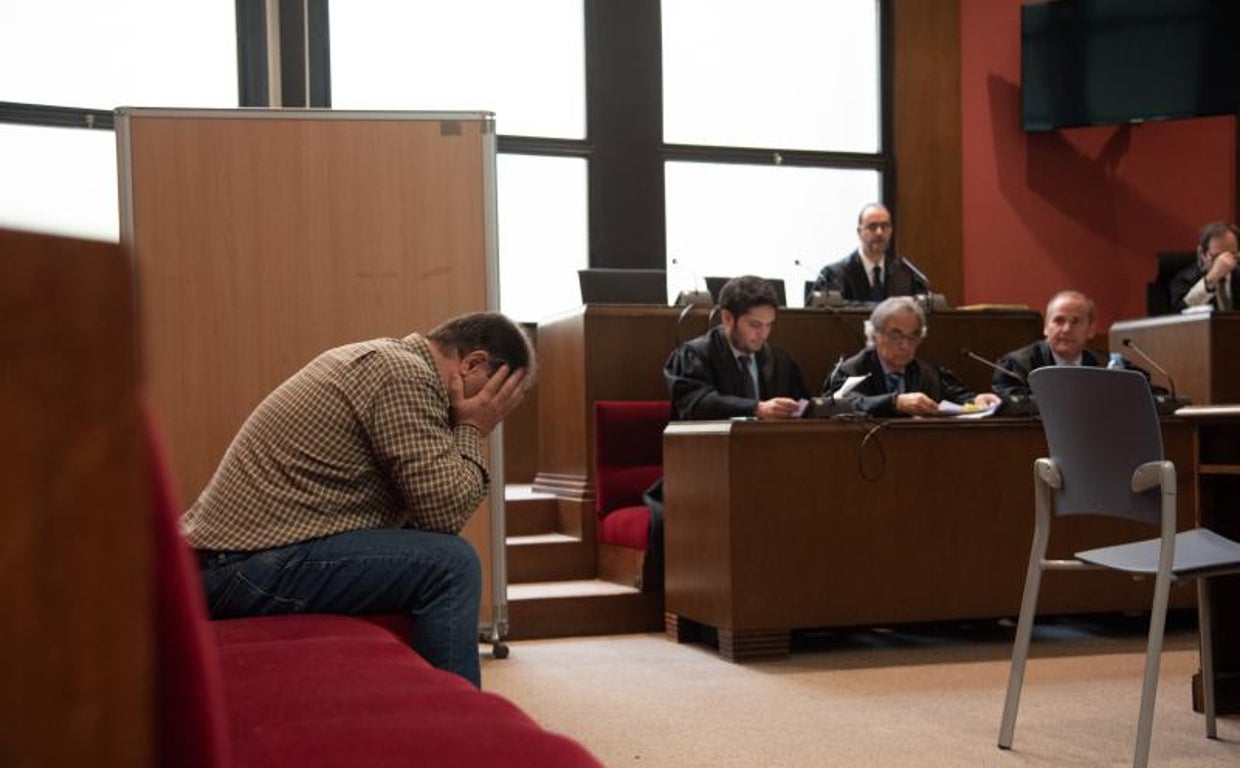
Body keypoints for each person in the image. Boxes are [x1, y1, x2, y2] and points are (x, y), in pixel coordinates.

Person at [182, 311, 533, 689]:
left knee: (429, 553)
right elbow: (445, 511)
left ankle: (416, 703)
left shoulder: (391, 364)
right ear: (473, 364)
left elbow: (429, 514)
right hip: (234, 568)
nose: (500, 410)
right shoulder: (403, 374)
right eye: (502, 394)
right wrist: (473, 427)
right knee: (452, 565)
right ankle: (458, 728)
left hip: (234, 561)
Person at [823, 296, 1001, 417]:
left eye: (912, 336)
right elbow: (838, 405)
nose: (905, 345)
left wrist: (976, 400)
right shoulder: (851, 370)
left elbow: (956, 396)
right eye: (895, 336)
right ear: (875, 335)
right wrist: (895, 402)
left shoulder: (925, 372)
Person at [664, 274, 811, 421]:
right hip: (712, 443)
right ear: (727, 318)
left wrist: (803, 408)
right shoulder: (694, 355)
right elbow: (696, 404)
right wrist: (756, 408)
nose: (763, 335)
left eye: (768, 325)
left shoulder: (779, 360)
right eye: (755, 325)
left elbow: (803, 402)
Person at [993, 290, 1163, 400]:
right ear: (1046, 327)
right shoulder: (1017, 365)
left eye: (1076, 322)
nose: (1066, 329)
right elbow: (1010, 402)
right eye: (1059, 321)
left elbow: (1149, 394)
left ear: (1090, 330)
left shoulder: (1106, 365)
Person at [806, 202, 928, 305]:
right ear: (859, 232)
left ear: (891, 231)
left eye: (885, 226)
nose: (879, 232)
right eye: (872, 227)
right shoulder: (834, 275)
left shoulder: (905, 276)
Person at [1169, 221, 1240, 312]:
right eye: (1217, 256)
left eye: (1232, 255)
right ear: (1201, 253)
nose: (1226, 263)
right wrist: (1211, 279)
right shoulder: (1184, 280)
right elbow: (1181, 315)